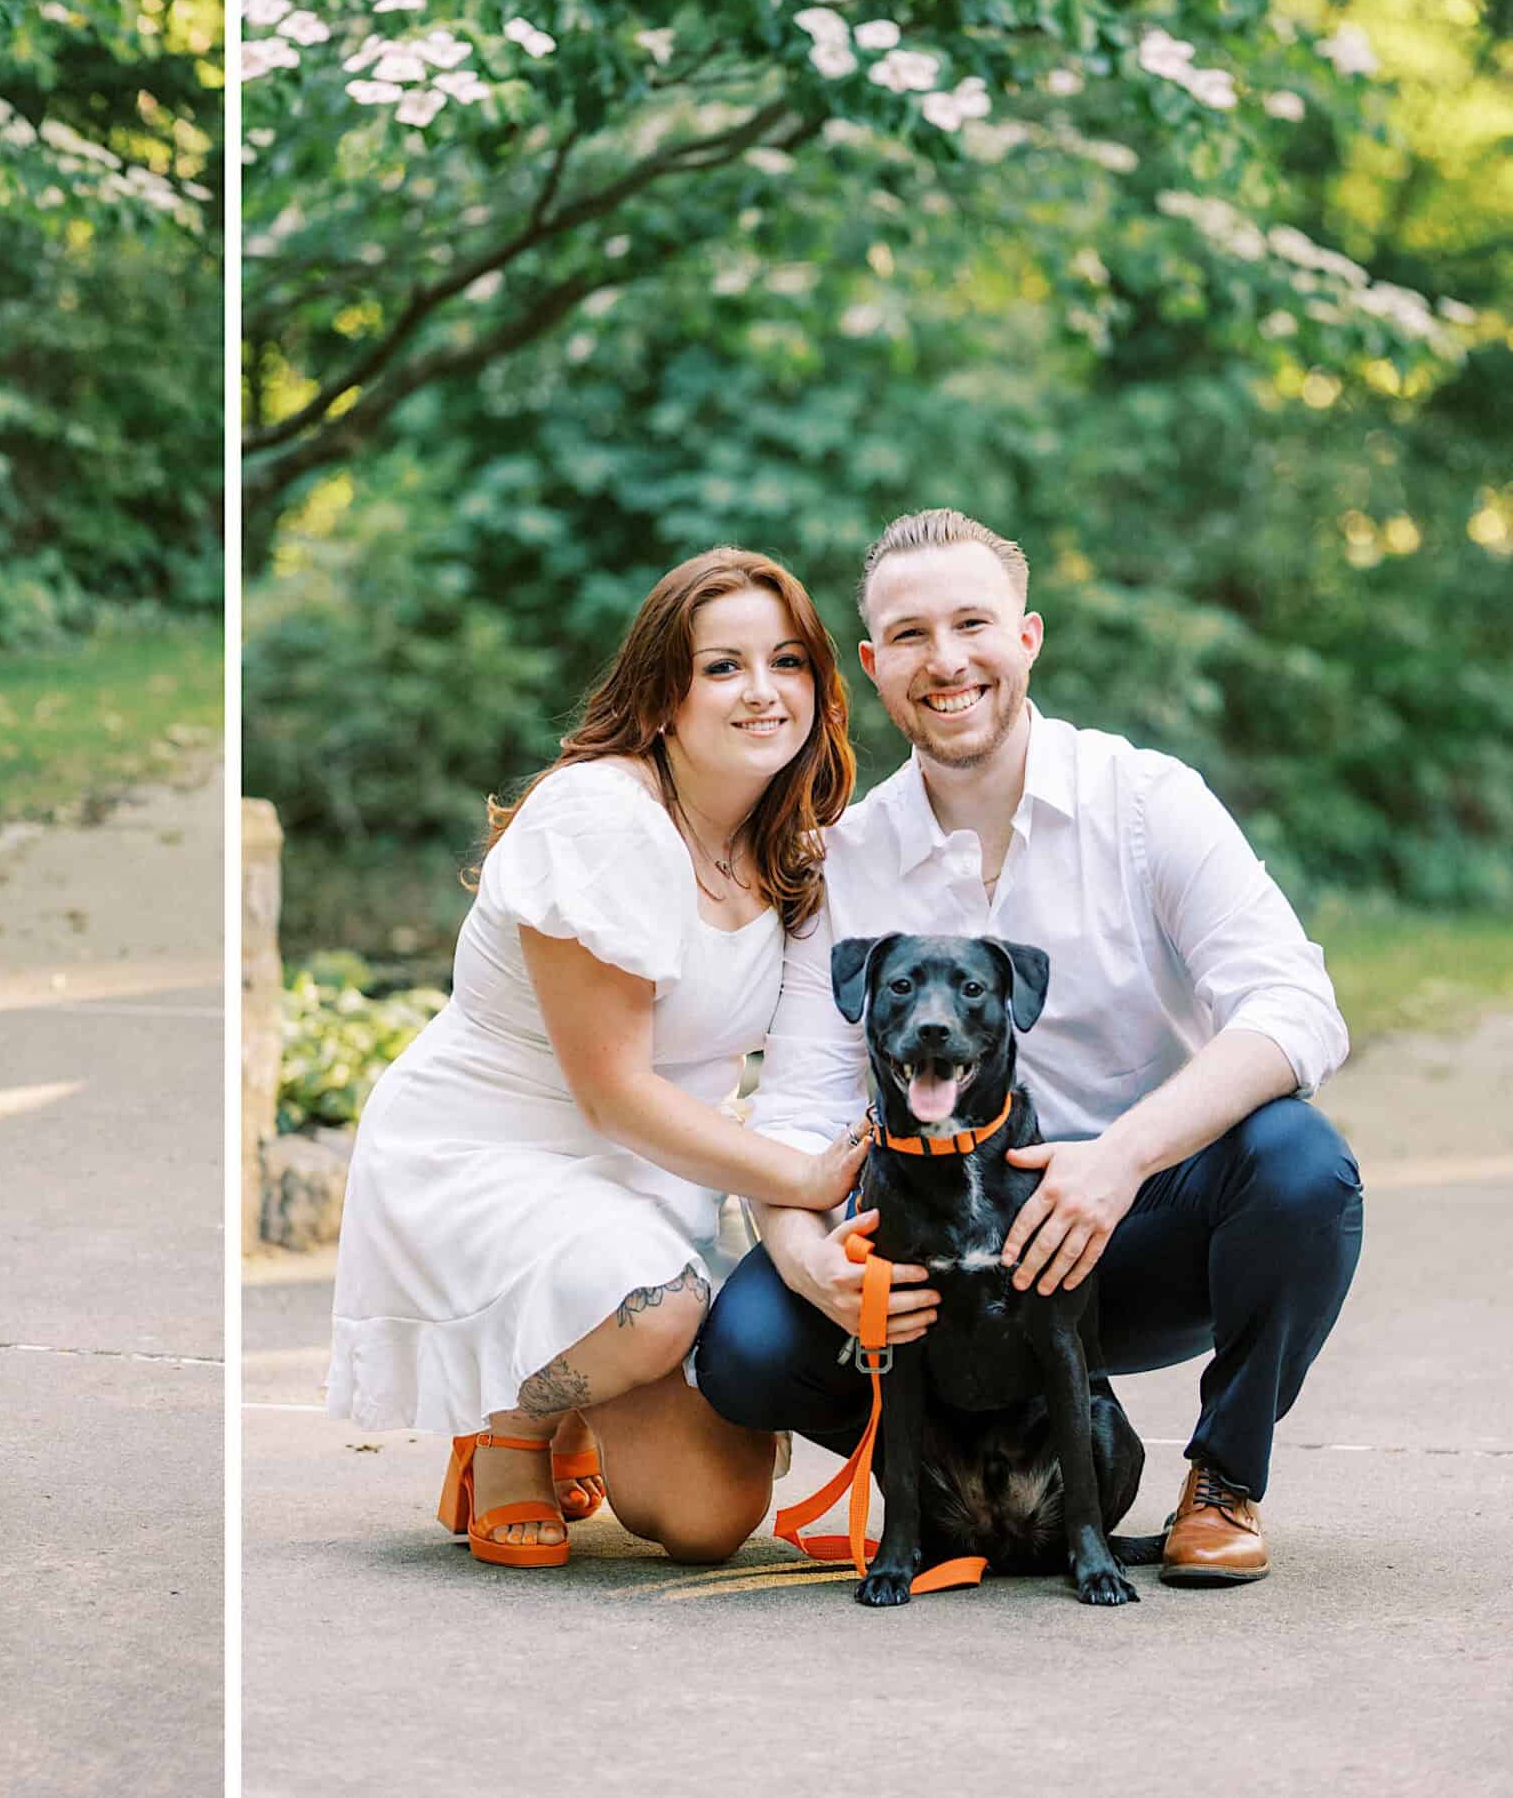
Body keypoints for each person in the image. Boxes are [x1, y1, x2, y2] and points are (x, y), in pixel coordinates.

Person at [694, 508, 1361, 1586]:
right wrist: (806, 1255)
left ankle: (1223, 1478)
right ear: (871, 664)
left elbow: (1294, 1005)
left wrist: (1123, 1155)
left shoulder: (1145, 800)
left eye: (972, 624)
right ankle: (965, 1492)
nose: (945, 659)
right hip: (923, 1257)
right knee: (748, 1345)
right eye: (909, 635)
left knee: (1300, 1165)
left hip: (1130, 1233)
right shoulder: (844, 859)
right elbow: (797, 1109)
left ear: (1028, 637)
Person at [325, 548, 883, 1569]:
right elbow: (613, 1092)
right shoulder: (600, 817)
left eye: (788, 661)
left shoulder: (789, 843)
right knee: (657, 1308)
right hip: (491, 1157)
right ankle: (510, 1427)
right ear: (662, 694)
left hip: (644, 1190)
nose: (762, 690)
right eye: (722, 666)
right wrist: (800, 1175)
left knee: (712, 1515)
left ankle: (575, 1380)